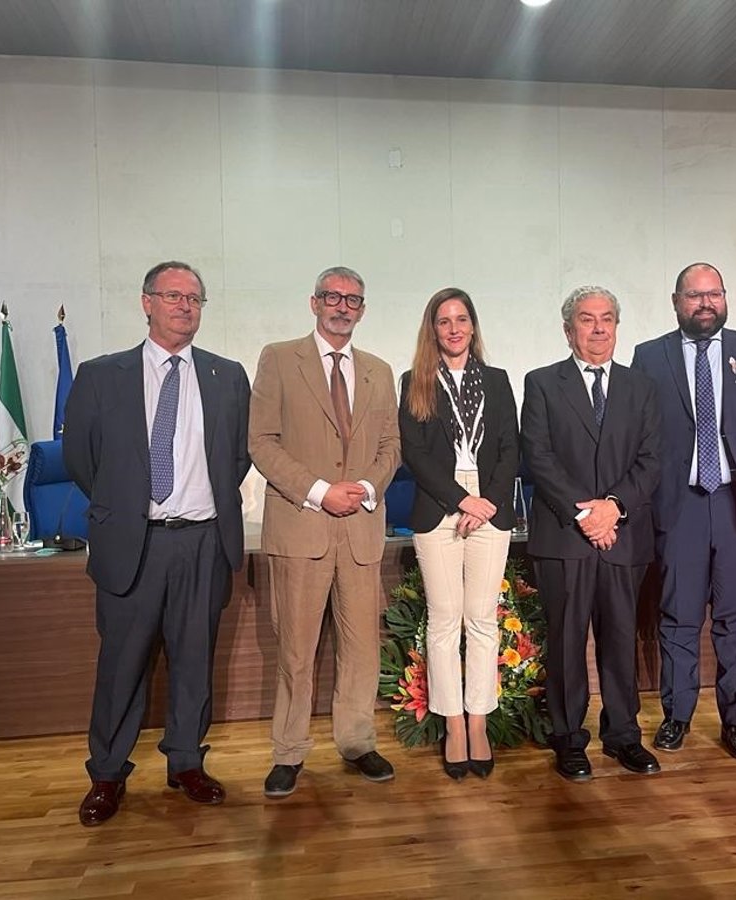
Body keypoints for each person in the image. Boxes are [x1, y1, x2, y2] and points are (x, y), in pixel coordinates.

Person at [63, 260, 252, 826]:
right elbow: (82, 459)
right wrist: (126, 508)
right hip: (134, 543)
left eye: (194, 298)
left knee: (194, 661)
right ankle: (107, 773)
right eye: (172, 296)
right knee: (121, 665)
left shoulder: (227, 376)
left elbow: (237, 457)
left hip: (202, 542)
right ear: (146, 303)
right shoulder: (102, 375)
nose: (184, 306)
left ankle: (186, 762)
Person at [631, 263, 736, 760]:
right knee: (678, 617)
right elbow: (637, 436)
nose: (705, 303)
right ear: (676, 302)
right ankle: (676, 716)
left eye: (714, 294)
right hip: (677, 506)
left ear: (724, 298)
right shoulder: (649, 356)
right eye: (694, 295)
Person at [249, 266, 401, 798]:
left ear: (362, 309)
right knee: (296, 652)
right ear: (314, 303)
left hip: (360, 529)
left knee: (362, 650)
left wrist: (366, 485)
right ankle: (289, 752)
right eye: (332, 297)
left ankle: (357, 742)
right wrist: (318, 490)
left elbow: (391, 446)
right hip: (301, 527)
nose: (342, 307)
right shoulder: (278, 358)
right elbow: (261, 441)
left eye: (352, 300)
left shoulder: (379, 370)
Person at [520, 285, 662, 782]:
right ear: (568, 330)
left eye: (607, 319)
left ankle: (623, 736)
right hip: (565, 536)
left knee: (620, 640)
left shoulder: (641, 387)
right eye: (587, 319)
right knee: (566, 642)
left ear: (617, 327)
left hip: (623, 537)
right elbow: (538, 457)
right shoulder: (541, 383)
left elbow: (652, 459)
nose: (598, 328)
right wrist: (586, 516)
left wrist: (614, 508)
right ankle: (568, 738)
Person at [398, 288, 520, 780]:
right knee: (445, 621)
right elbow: (414, 454)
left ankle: (478, 723)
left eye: (462, 319)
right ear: (433, 329)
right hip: (439, 505)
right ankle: (453, 725)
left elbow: (511, 448)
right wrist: (461, 500)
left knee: (483, 620)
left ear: (473, 326)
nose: (454, 328)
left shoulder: (496, 380)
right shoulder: (415, 382)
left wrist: (486, 501)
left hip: (489, 504)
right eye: (444, 321)